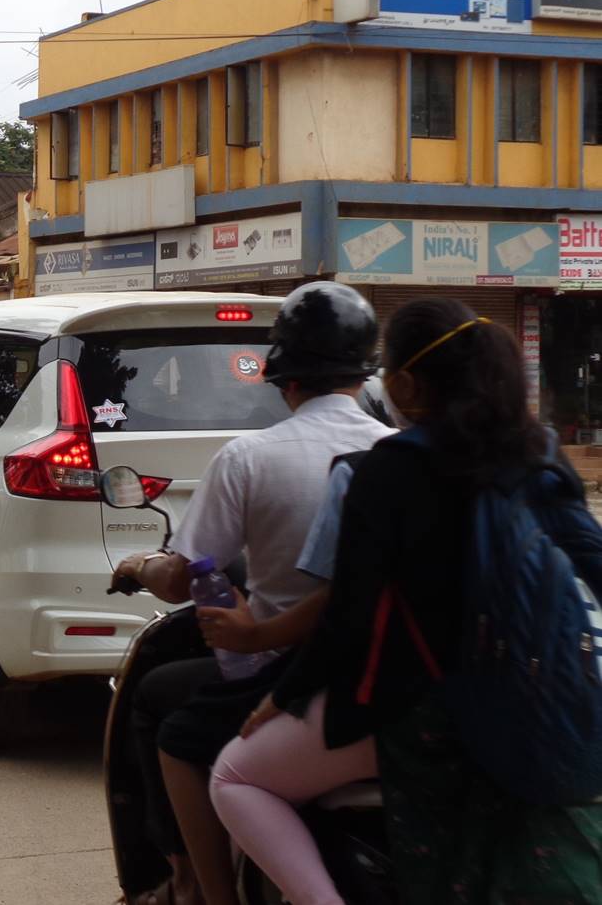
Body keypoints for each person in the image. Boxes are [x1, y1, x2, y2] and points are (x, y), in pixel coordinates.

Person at [211, 299, 602, 904]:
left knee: (234, 777)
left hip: (420, 713)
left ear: (405, 383)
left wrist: (280, 697)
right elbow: (592, 560)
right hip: (539, 698)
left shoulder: (391, 469)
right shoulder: (538, 453)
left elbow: (349, 616)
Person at [111, 282, 393, 905]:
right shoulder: (402, 456)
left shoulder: (250, 457)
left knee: (166, 713)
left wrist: (136, 565)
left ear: (284, 380)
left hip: (296, 671)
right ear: (365, 376)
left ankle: (201, 887)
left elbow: (184, 576)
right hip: (393, 671)